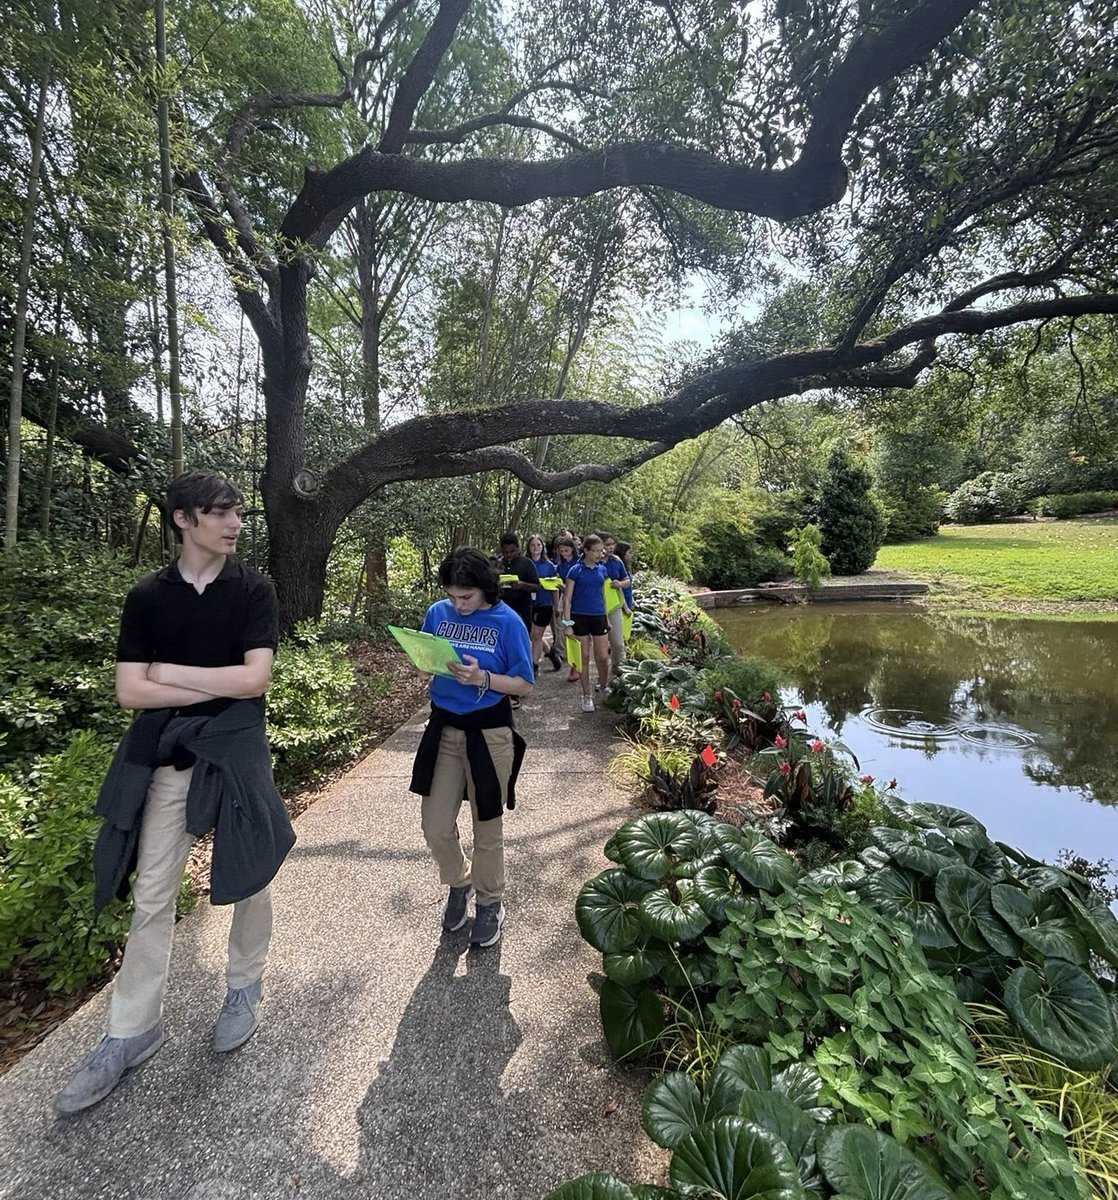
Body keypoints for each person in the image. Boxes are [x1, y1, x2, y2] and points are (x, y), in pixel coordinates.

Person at [55, 470, 293, 1117]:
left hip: (236, 751)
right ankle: (130, 1031)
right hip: (166, 755)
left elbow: (256, 680)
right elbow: (130, 692)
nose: (235, 523)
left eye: (238, 513)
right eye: (221, 513)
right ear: (185, 520)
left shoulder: (254, 591)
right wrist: (212, 685)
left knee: (252, 874)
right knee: (153, 892)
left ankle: (244, 987)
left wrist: (172, 674)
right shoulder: (148, 598)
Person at [409, 548, 534, 948]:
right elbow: (425, 660)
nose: (459, 606)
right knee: (434, 825)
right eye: (453, 597)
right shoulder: (438, 613)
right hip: (444, 728)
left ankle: (490, 902)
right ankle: (459, 882)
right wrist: (426, 660)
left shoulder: (507, 621)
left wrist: (484, 679)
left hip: (490, 733)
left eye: (467, 597)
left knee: (487, 826)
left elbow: (524, 684)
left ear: (485, 590)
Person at [562, 534, 612, 713]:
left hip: (599, 616)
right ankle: (586, 695)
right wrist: (567, 624)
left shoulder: (602, 570)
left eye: (601, 551)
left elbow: (603, 595)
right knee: (583, 658)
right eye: (596, 551)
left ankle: (604, 685)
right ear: (586, 551)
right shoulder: (575, 570)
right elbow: (566, 599)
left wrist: (606, 618)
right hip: (579, 617)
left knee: (603, 656)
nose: (600, 554)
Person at [526, 533, 562, 674]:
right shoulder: (525, 563)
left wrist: (556, 606)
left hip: (545, 604)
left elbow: (555, 587)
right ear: (528, 547)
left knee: (536, 635)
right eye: (533, 545)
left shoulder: (549, 566)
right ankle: (551, 653)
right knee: (532, 635)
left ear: (543, 547)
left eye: (538, 545)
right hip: (528, 604)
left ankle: (534, 667)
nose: (536, 548)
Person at [596, 531, 632, 670]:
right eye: (607, 544)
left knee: (618, 643)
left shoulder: (617, 562)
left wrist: (620, 584)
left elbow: (627, 580)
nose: (610, 547)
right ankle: (602, 676)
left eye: (612, 544)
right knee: (600, 646)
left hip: (614, 605)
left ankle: (618, 669)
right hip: (596, 607)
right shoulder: (592, 562)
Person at [553, 536, 580, 682]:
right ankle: (562, 652)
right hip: (564, 599)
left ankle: (575, 662)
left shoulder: (578, 563)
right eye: (561, 551)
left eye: (567, 550)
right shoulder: (561, 565)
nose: (564, 553)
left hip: (577, 600)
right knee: (562, 625)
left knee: (573, 628)